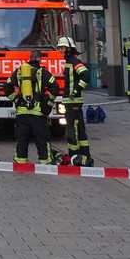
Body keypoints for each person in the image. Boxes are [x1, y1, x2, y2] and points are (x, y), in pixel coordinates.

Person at [7, 50, 59, 164]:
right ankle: (45, 161)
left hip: (22, 113)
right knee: (41, 139)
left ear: (29, 58)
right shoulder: (42, 72)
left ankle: (20, 161)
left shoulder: (19, 72)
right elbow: (55, 88)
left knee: (22, 139)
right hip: (38, 113)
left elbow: (7, 88)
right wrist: (47, 104)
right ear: (39, 59)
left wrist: (16, 99)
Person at [57, 36, 93, 166]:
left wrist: (77, 90)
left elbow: (86, 74)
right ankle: (84, 156)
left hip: (73, 103)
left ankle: (76, 157)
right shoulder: (68, 62)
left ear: (68, 49)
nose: (60, 50)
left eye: (62, 48)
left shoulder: (73, 61)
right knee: (79, 131)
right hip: (70, 102)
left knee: (73, 131)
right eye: (59, 48)